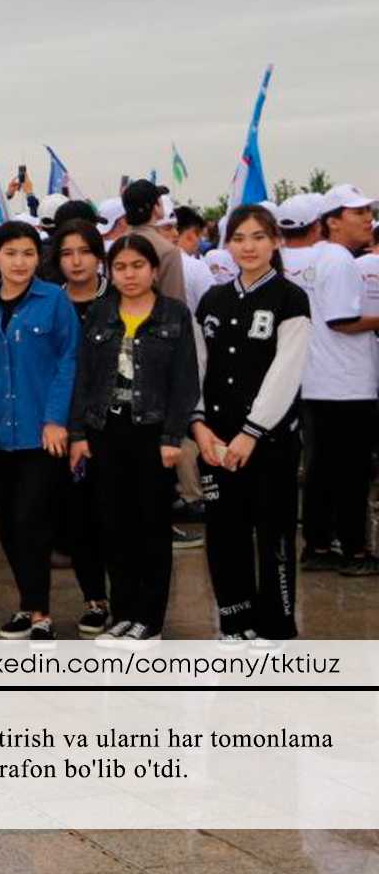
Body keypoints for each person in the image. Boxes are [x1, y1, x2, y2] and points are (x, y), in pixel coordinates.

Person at [71, 234, 200, 646]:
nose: (129, 275)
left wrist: (172, 436)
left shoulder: (175, 315)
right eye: (121, 267)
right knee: (113, 526)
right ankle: (124, 614)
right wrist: (78, 433)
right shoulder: (100, 313)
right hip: (105, 431)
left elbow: (185, 382)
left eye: (137, 266)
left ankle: (150, 619)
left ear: (154, 270)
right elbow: (85, 377)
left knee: (151, 528)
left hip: (152, 433)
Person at [192, 205, 310, 645]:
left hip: (270, 441)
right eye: (239, 237)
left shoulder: (290, 298)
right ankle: (234, 621)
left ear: (274, 241)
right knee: (224, 534)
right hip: (216, 442)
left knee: (274, 534)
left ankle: (276, 625)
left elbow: (286, 371)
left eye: (258, 237)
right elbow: (199, 367)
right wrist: (200, 426)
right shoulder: (213, 300)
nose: (248, 246)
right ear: (227, 244)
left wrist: (252, 432)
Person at [0, 220, 78, 640]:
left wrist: (56, 419)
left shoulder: (55, 301)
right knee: (8, 526)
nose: (20, 262)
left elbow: (69, 361)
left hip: (41, 435)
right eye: (11, 253)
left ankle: (40, 614)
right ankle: (25, 603)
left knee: (32, 520)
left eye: (28, 253)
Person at [296, 185, 379, 574]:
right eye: (357, 212)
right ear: (332, 221)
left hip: (318, 382)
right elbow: (342, 321)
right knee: (351, 472)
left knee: (321, 470)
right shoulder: (341, 260)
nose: (367, 219)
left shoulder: (316, 257)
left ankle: (317, 546)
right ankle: (355, 551)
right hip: (347, 383)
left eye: (368, 211)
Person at [48, 220, 112, 634]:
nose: (76, 261)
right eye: (67, 253)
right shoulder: (52, 303)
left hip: (117, 427)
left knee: (119, 516)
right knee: (78, 518)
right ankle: (95, 599)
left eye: (84, 252)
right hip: (64, 430)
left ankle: (133, 600)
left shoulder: (121, 298)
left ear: (98, 256)